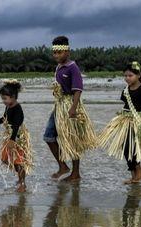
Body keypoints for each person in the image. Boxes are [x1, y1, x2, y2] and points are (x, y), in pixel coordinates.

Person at [43, 35, 97, 182]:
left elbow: (78, 89)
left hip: (70, 106)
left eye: (59, 52)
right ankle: (62, 166)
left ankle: (75, 173)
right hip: (59, 106)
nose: (56, 55)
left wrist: (73, 108)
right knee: (48, 136)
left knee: (73, 138)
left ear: (67, 52)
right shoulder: (59, 67)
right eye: (54, 52)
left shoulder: (73, 67)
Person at [98, 61, 141, 184]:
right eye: (125, 76)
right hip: (125, 122)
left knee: (134, 146)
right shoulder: (125, 90)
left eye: (130, 75)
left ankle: (138, 168)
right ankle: (133, 174)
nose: (127, 78)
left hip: (138, 122)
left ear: (139, 75)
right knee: (125, 147)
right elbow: (125, 106)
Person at [0, 80, 33, 192]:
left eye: (5, 98)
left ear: (13, 97)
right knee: (6, 159)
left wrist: (12, 140)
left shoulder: (18, 109)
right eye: (2, 99)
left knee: (19, 161)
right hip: (10, 136)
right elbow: (4, 119)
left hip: (17, 137)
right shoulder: (9, 107)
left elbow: (16, 126)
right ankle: (20, 179)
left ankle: (22, 183)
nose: (3, 101)